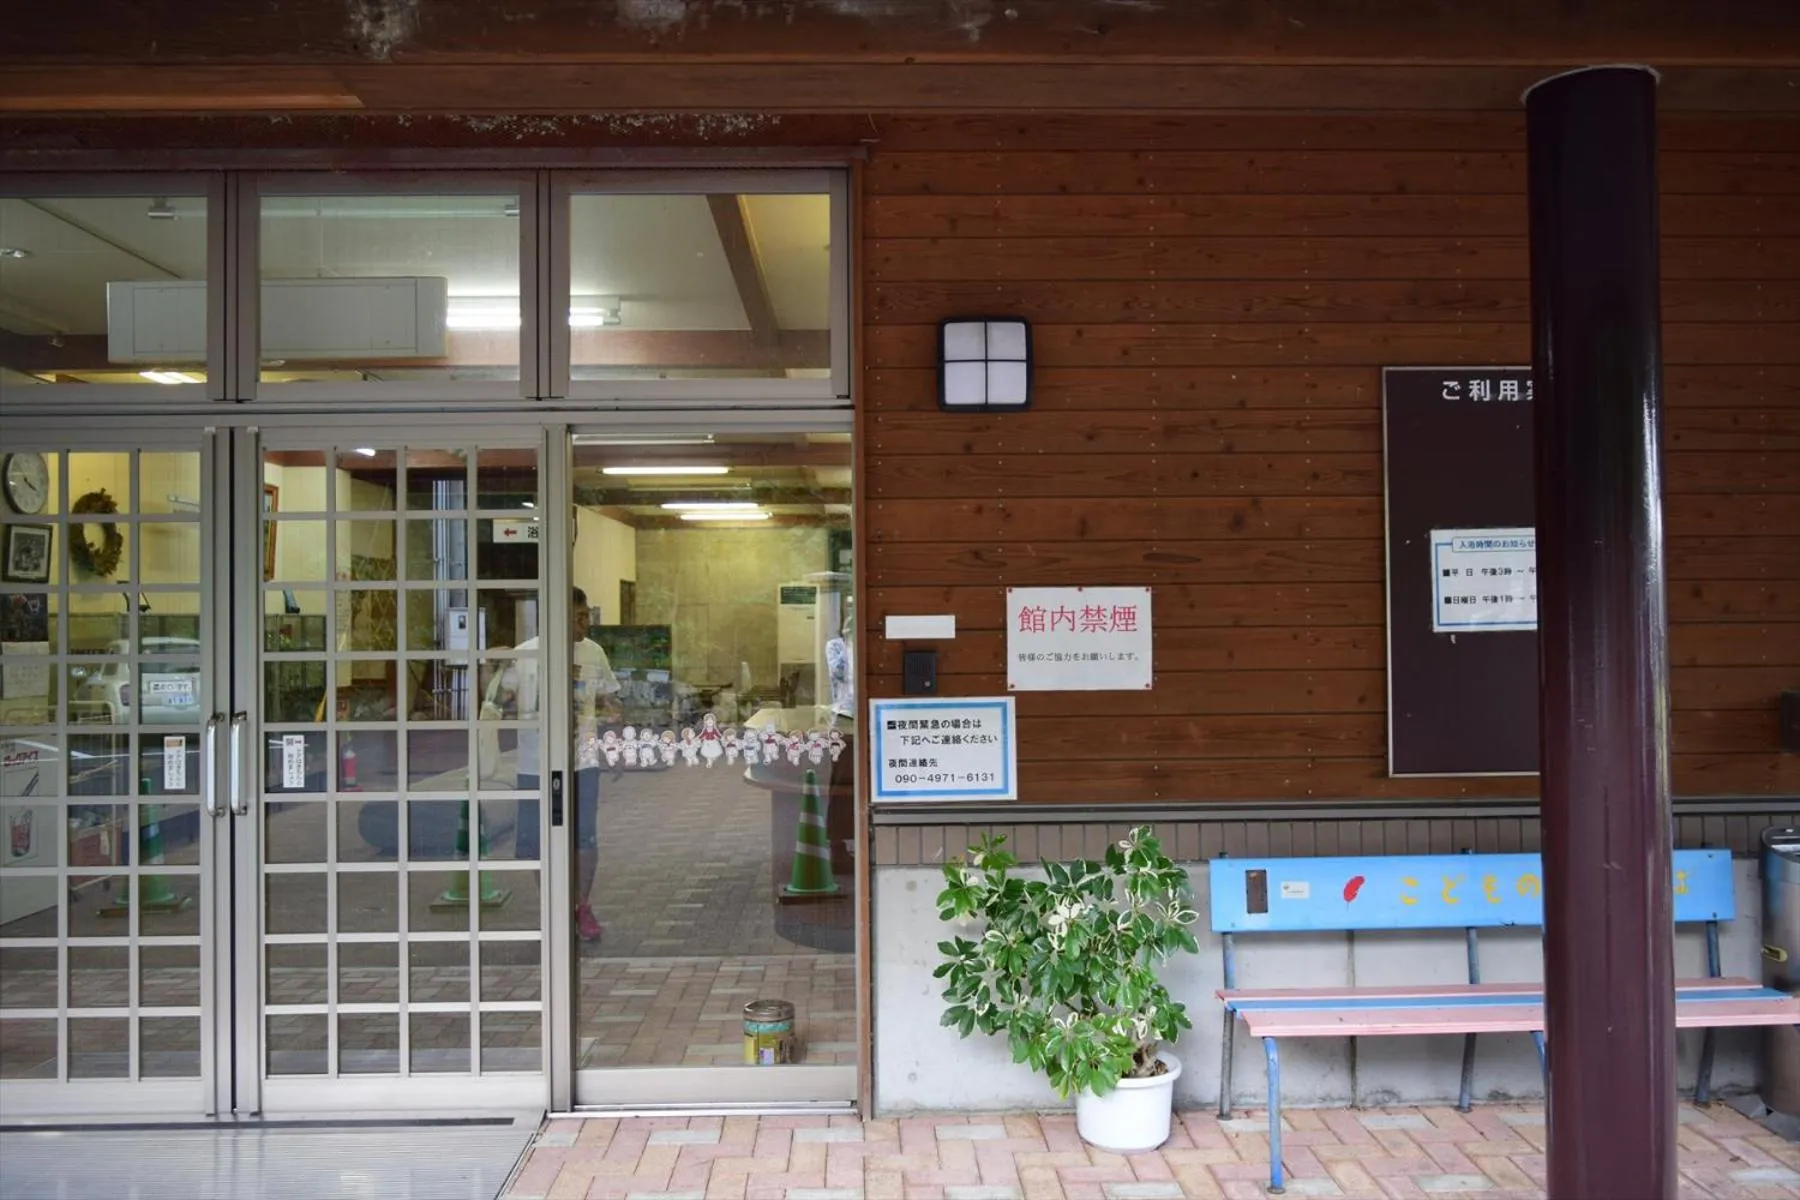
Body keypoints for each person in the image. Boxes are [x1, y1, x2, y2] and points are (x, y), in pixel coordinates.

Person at [483, 587, 619, 942]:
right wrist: (489, 667)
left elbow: (608, 699)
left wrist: (612, 734)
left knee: (584, 838)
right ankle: (553, 909)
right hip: (535, 765)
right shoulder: (526, 654)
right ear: (557, 616)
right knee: (538, 841)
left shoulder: (594, 652)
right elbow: (495, 702)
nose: (585, 622)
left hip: (582, 761)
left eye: (587, 614)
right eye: (578, 616)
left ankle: (581, 905)